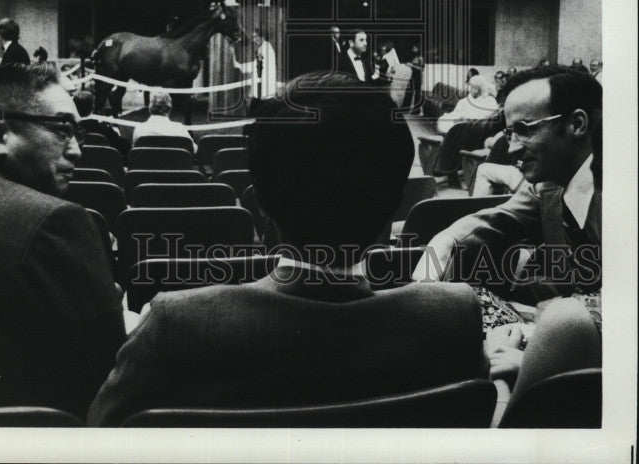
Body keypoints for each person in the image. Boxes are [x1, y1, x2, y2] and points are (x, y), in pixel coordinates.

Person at [88, 72, 487, 425]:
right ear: (398, 203)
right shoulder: (455, 316)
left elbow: (99, 431)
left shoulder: (175, 324)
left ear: (259, 203)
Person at [0, 64, 126, 417]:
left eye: (78, 133)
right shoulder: (59, 222)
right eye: (61, 130)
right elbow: (110, 383)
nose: (76, 150)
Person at [415, 65, 602, 304]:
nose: (512, 149)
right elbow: (487, 222)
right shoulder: (547, 186)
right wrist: (442, 243)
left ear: (576, 124)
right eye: (510, 133)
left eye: (524, 130)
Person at [234, 30, 277, 100]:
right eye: (253, 38)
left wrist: (239, 66)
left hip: (265, 90)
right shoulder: (263, 48)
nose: (253, 40)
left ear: (262, 37)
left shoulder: (266, 48)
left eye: (255, 37)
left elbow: (256, 65)